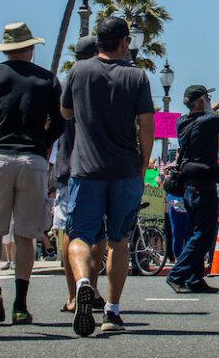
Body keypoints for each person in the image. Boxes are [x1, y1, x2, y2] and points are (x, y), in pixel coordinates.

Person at [60, 17, 154, 335]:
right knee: (118, 240)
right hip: (125, 170)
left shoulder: (78, 71)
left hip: (86, 170)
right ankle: (112, 311)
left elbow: (65, 112)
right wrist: (144, 164)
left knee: (79, 236)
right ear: (125, 42)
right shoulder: (137, 76)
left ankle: (83, 284)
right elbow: (146, 125)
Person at [0, 22, 64, 326]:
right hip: (32, 159)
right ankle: (21, 305)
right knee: (26, 235)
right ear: (31, 47)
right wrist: (44, 144)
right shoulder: (47, 79)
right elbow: (60, 123)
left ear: (6, 49)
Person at [165, 85, 219, 294]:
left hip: (189, 186)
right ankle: (177, 274)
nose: (210, 100)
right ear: (201, 101)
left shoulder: (182, 122)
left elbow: (203, 117)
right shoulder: (209, 121)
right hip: (204, 185)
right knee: (204, 234)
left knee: (196, 232)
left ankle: (194, 279)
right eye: (207, 98)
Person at [55, 36, 108, 315]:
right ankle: (92, 287)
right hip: (99, 167)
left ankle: (74, 294)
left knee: (72, 231)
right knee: (98, 232)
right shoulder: (103, 86)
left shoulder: (68, 84)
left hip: (69, 166)